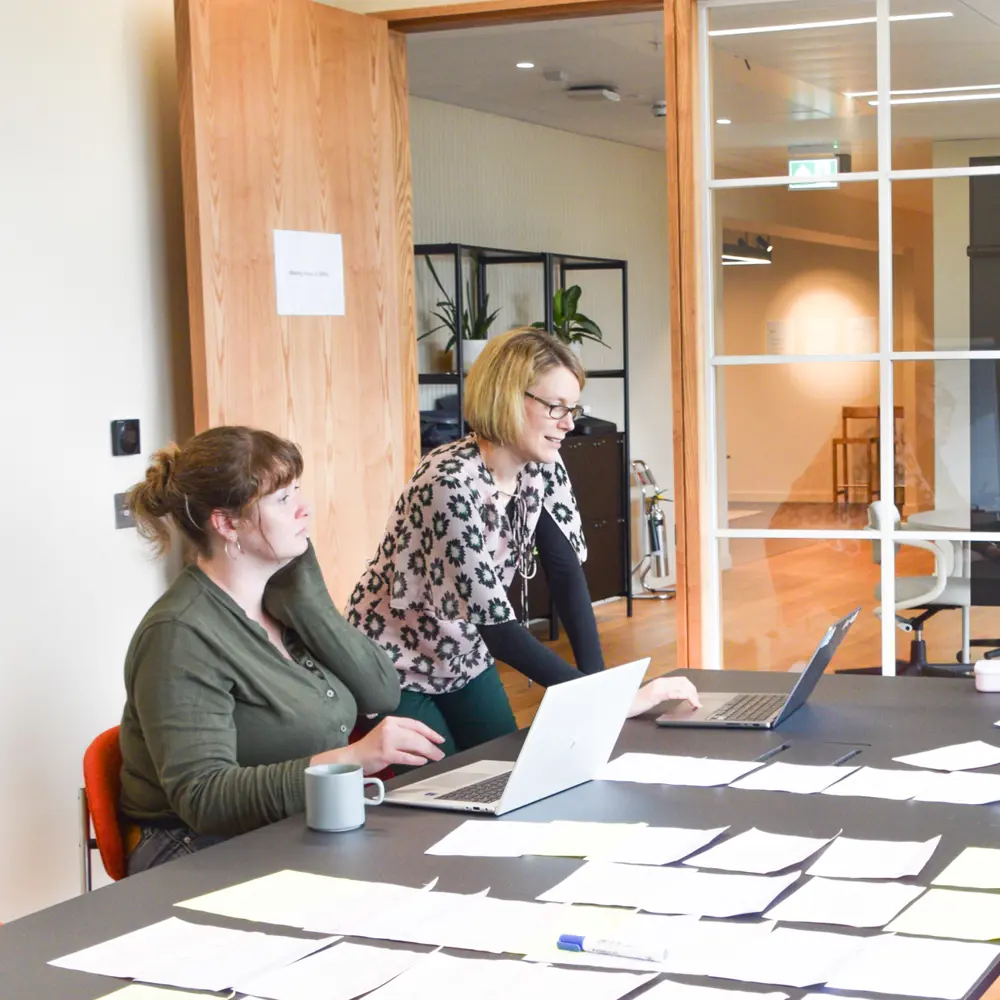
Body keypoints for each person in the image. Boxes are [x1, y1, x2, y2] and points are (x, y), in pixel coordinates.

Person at [347, 328, 699, 758]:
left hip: (464, 653)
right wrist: (604, 699)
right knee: (439, 787)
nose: (569, 423)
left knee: (501, 771)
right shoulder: (448, 483)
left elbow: (565, 572)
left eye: (573, 408)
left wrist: (602, 694)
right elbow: (500, 632)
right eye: (556, 408)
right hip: (393, 665)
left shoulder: (542, 464)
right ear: (509, 398)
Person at [119, 426, 445, 873]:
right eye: (282, 499)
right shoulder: (179, 635)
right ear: (227, 523)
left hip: (288, 825)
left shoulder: (281, 602)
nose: (304, 508)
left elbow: (380, 693)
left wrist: (308, 595)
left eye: (297, 491)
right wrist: (352, 759)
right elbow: (203, 798)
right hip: (196, 849)